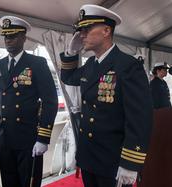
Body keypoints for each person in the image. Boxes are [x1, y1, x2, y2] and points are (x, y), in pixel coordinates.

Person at [60, 4, 152, 187]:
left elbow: (139, 118)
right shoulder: (91, 65)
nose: (81, 35)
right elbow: (69, 78)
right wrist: (71, 53)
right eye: (80, 30)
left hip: (113, 161)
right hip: (89, 157)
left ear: (106, 30)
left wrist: (130, 164)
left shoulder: (128, 65)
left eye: (87, 29)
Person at [0, 16, 58, 187]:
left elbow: (50, 100)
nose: (8, 40)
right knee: (9, 183)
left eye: (12, 36)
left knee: (28, 183)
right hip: (5, 138)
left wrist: (43, 138)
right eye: (6, 36)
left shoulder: (36, 63)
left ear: (23, 38)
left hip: (29, 139)